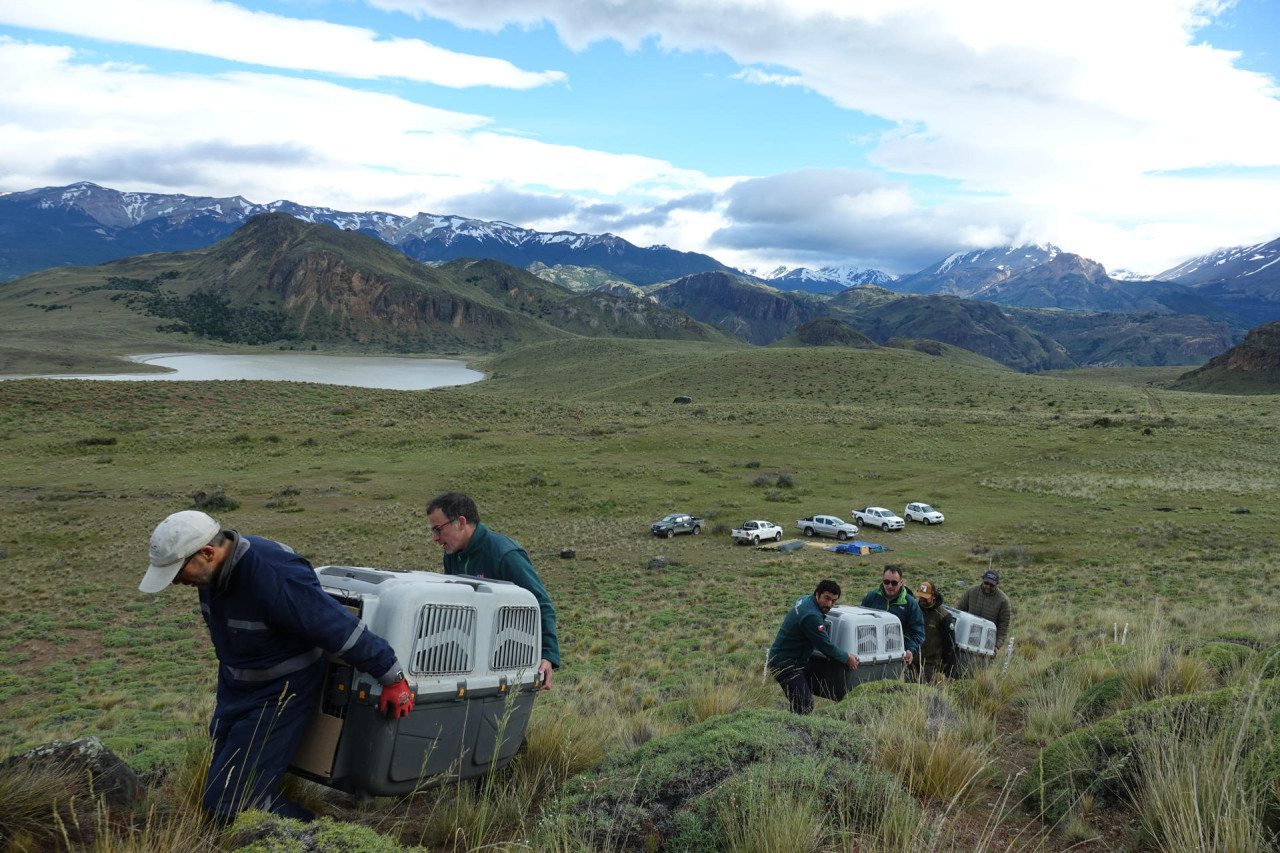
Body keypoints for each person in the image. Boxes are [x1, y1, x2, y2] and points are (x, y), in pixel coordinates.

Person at [139, 510, 414, 824]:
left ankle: (317, 836)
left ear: (207, 552)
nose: (175, 581)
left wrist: (391, 675)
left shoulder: (274, 575)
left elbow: (337, 627)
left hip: (279, 694)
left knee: (231, 802)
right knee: (220, 787)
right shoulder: (210, 573)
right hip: (234, 690)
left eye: (178, 570)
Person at [426, 491, 560, 690]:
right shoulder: (452, 555)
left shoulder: (505, 555)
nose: (435, 538)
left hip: (508, 659)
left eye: (438, 529)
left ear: (461, 522)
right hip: (469, 659)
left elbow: (541, 603)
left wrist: (548, 656)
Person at [766, 579, 858, 714]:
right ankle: (794, 732)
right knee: (804, 705)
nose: (829, 604)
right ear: (817, 594)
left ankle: (792, 725)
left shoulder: (805, 600)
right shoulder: (811, 615)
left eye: (833, 601)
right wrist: (846, 657)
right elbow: (825, 646)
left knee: (800, 701)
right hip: (786, 664)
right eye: (826, 598)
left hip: (788, 658)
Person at [860, 565, 924, 667]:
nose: (889, 586)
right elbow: (860, 621)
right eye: (886, 582)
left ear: (901, 582)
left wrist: (910, 650)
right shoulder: (871, 597)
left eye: (894, 583)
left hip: (898, 656)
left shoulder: (910, 603)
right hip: (871, 654)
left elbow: (918, 632)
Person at [912, 581, 958, 682]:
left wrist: (945, 661)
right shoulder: (914, 610)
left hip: (930, 664)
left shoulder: (944, 616)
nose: (922, 599)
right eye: (920, 596)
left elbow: (950, 641)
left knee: (924, 693)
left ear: (933, 596)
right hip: (912, 660)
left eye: (925, 596)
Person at [956, 569, 1011, 648]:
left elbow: (1003, 627)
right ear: (983, 580)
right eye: (986, 583)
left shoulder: (1003, 600)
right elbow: (959, 612)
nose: (988, 586)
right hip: (966, 637)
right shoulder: (971, 591)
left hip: (987, 643)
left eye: (991, 585)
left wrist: (997, 646)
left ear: (997, 584)